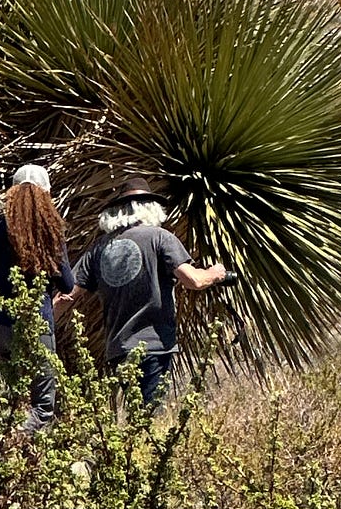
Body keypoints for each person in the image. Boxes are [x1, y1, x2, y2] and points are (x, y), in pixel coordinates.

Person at [57, 175, 231, 409]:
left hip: (118, 348)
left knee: (136, 413)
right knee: (151, 417)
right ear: (151, 208)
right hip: (154, 345)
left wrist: (37, 326)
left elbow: (66, 296)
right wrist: (216, 273)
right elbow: (194, 281)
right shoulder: (160, 238)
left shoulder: (99, 249)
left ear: (117, 212)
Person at [0, 163, 74, 431]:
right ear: (46, 195)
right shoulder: (50, 232)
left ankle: (3, 461)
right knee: (42, 407)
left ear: (11, 194)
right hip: (34, 325)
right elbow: (67, 283)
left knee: (12, 401)